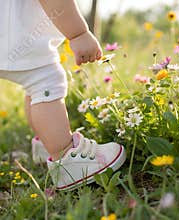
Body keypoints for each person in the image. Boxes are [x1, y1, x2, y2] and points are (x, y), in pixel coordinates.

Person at [0, 0, 126, 191]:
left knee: (34, 84)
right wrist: (78, 34)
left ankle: (46, 142)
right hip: (13, 37)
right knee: (44, 81)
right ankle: (65, 157)